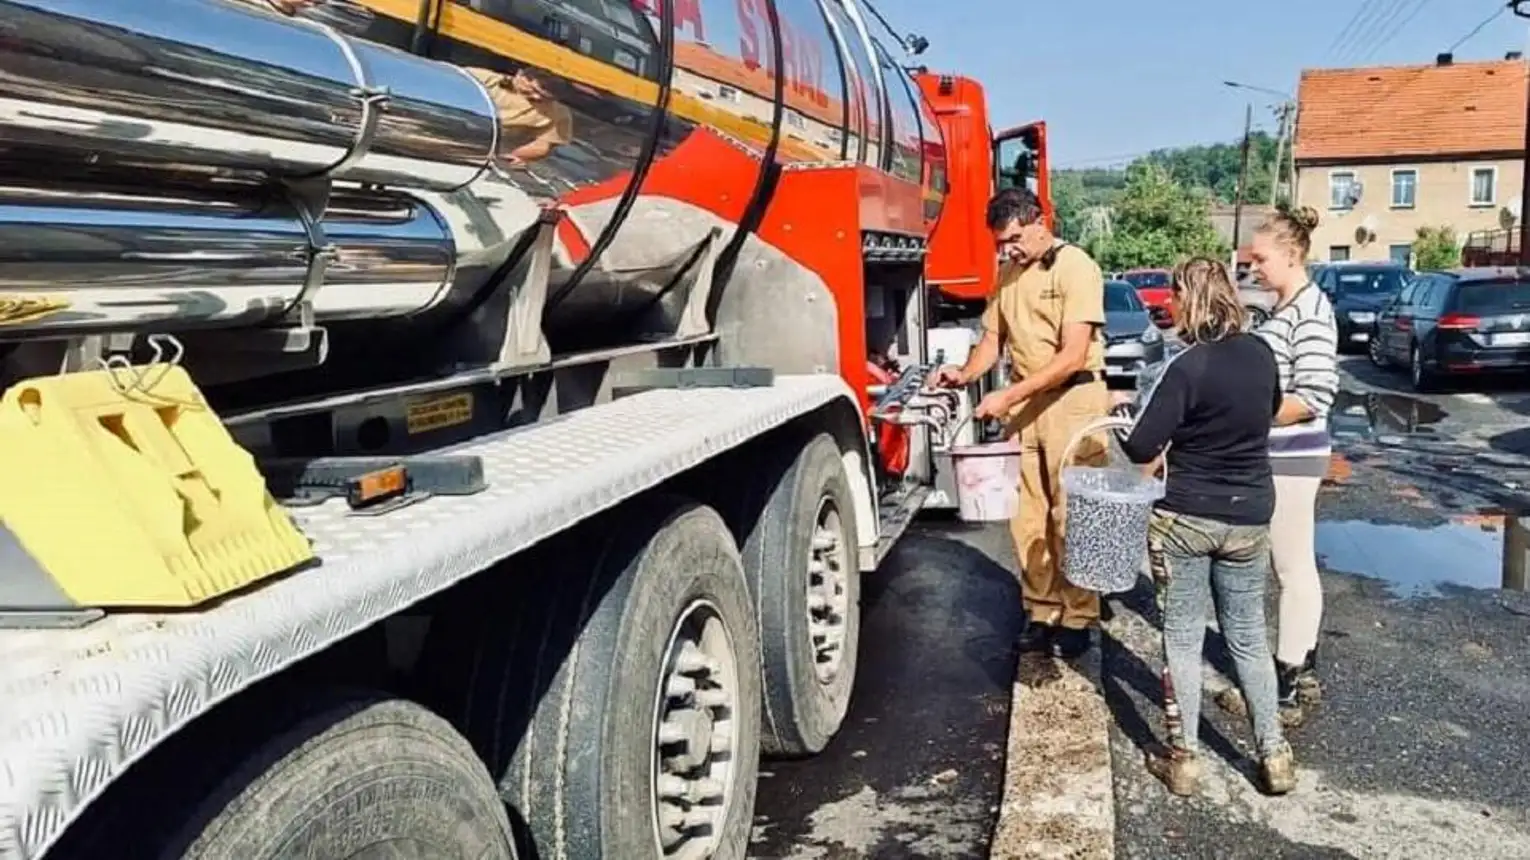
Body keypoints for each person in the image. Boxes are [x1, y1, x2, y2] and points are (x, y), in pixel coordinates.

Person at [1116, 256, 1296, 797]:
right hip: (1249, 518)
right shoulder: (1261, 354)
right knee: (1247, 638)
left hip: (1187, 519)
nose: (1167, 305)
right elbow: (1265, 412)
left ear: (1188, 299)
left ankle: (1185, 760)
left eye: (1172, 296)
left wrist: (1128, 416)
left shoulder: (1186, 366)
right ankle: (1274, 755)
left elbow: (1143, 446)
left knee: (1183, 640)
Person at [929, 186, 1110, 658]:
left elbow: (1072, 355)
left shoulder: (1076, 267)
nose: (1007, 250)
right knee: (1027, 516)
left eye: (1012, 239)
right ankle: (1042, 610)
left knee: (1072, 514)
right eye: (999, 244)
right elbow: (993, 338)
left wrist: (1007, 394)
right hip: (1025, 407)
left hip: (1073, 399)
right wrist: (965, 373)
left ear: (1038, 221)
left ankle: (1078, 614)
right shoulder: (1008, 274)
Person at [1244, 205, 1338, 726]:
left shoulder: (1310, 311)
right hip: (1277, 452)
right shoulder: (1283, 309)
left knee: (1292, 566)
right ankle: (1298, 663)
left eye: (1260, 258)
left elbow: (1315, 393)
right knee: (1285, 564)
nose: (1254, 268)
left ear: (1291, 254)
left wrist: (1248, 415)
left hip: (1294, 453)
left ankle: (1290, 678)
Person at [464, 66, 574, 166]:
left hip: (487, 153)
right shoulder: (481, 77)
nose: (537, 97)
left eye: (546, 97)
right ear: (520, 74)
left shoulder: (558, 113)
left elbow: (542, 145)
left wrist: (518, 156)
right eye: (534, 89)